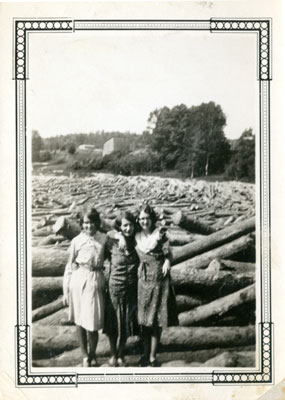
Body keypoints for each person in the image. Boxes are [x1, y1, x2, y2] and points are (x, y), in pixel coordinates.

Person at [135, 204, 178, 367]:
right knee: (144, 320)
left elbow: (169, 254)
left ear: (151, 219)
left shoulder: (159, 234)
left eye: (147, 218)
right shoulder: (137, 235)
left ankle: (153, 356)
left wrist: (167, 262)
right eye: (141, 219)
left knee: (156, 319)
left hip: (159, 279)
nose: (144, 221)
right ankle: (145, 353)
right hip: (143, 281)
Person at [63, 207, 105, 367]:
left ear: (97, 223)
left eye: (93, 222)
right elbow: (69, 266)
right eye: (86, 223)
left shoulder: (103, 238)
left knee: (92, 322)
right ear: (82, 224)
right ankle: (85, 356)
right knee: (79, 320)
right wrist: (66, 290)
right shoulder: (76, 241)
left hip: (95, 280)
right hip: (79, 280)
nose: (90, 226)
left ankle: (93, 354)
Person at [103, 211, 139, 367]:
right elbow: (107, 231)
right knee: (113, 323)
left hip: (131, 287)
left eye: (131, 225)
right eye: (125, 225)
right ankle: (112, 354)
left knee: (125, 322)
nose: (128, 228)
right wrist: (120, 235)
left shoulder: (138, 240)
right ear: (120, 226)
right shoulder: (111, 241)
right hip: (114, 287)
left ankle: (121, 354)